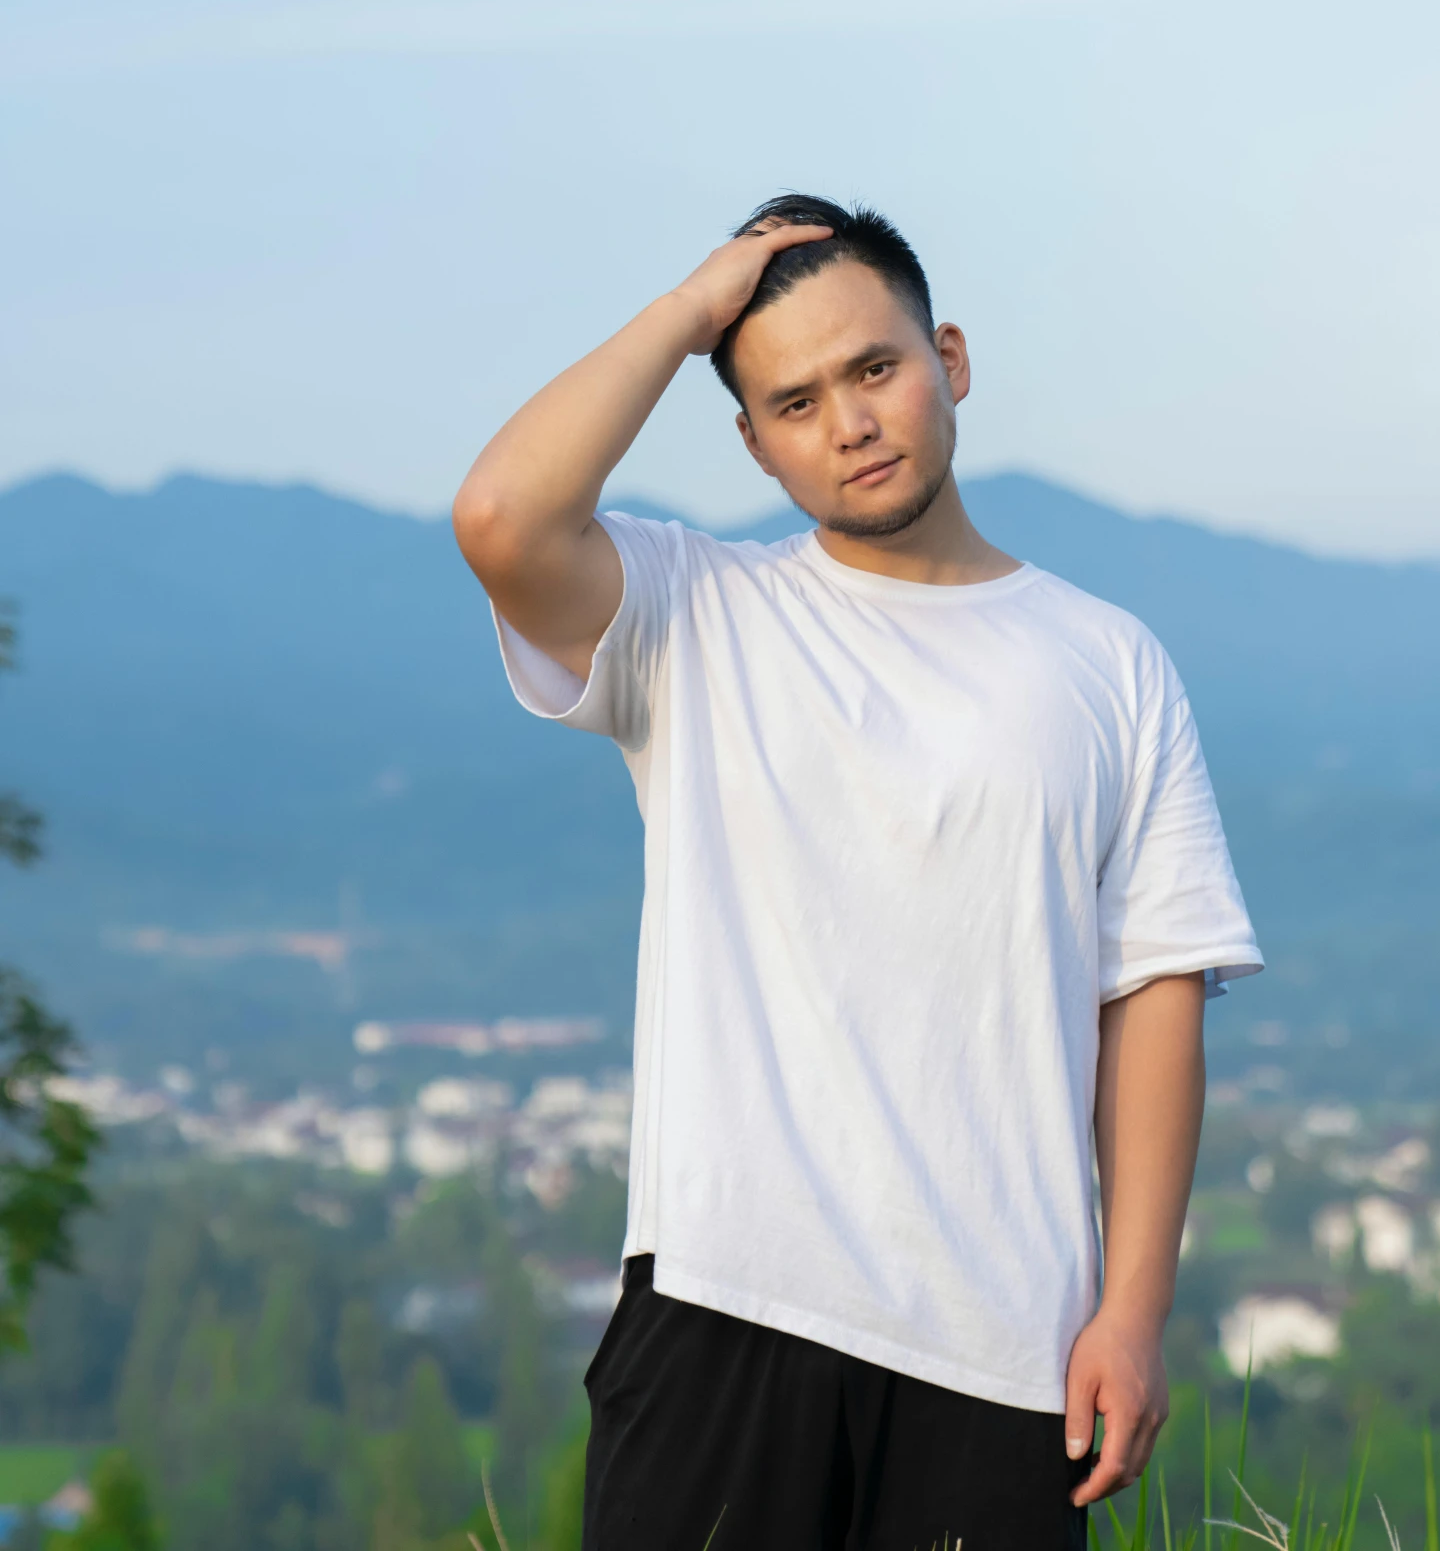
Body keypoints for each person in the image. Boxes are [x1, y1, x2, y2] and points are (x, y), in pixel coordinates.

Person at [453, 196, 1262, 1551]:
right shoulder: (694, 614)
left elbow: (1155, 995)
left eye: (874, 368)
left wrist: (1134, 1313)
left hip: (1005, 1352)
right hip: (725, 1310)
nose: (849, 421)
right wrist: (689, 307)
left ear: (947, 358)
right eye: (794, 400)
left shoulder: (1107, 662)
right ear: (754, 442)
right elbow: (500, 515)